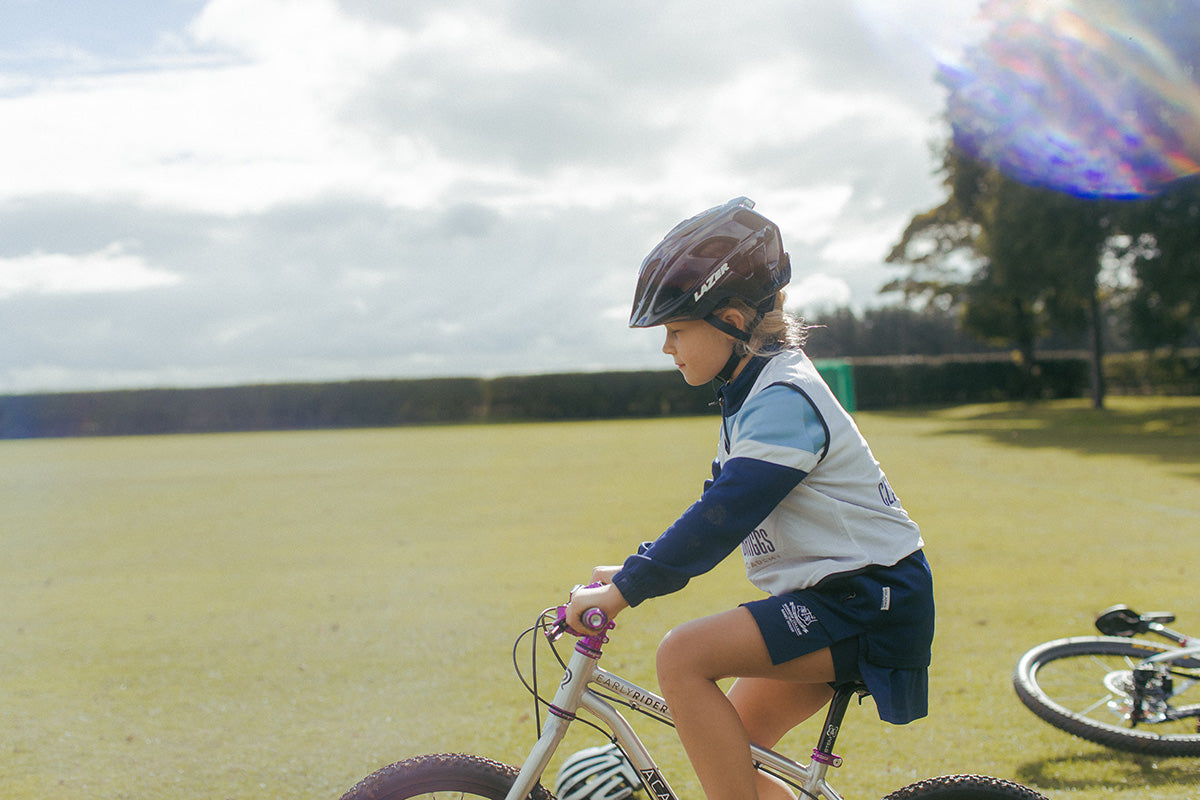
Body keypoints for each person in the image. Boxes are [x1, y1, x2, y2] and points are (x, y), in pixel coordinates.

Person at [565, 197, 935, 800]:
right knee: (732, 753)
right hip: (841, 600)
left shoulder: (784, 394)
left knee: (683, 657)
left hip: (868, 602)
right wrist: (632, 571)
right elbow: (718, 503)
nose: (668, 347)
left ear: (733, 317)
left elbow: (726, 514)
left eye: (677, 329)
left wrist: (625, 590)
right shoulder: (754, 390)